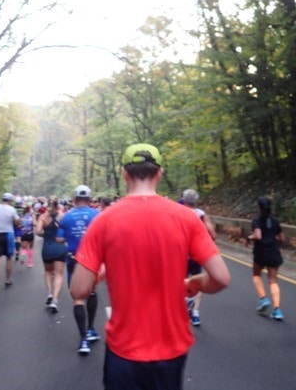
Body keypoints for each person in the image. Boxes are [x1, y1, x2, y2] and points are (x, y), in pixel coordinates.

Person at [70, 143, 230, 389]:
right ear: (160, 173)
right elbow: (221, 278)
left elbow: (79, 290)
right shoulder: (186, 218)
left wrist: (104, 270)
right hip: (172, 348)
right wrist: (194, 283)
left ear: (125, 174)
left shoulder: (103, 221)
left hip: (124, 349)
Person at [57, 185, 100, 355]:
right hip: (92, 260)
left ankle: (83, 340)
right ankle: (90, 329)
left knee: (78, 299)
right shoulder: (98, 215)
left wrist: (71, 236)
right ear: (90, 200)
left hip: (74, 259)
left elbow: (59, 238)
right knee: (92, 292)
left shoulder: (66, 217)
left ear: (74, 200)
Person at [245, 196, 285, 320]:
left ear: (258, 207)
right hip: (273, 252)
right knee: (273, 280)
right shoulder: (275, 221)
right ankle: (277, 310)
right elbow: (282, 238)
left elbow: (258, 235)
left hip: (261, 252)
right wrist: (273, 238)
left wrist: (249, 237)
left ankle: (263, 299)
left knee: (256, 275)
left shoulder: (257, 220)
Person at [182, 188, 217, 327]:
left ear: (184, 200)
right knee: (198, 280)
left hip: (182, 253)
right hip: (196, 253)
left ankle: (184, 301)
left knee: (182, 280)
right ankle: (195, 314)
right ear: (196, 201)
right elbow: (213, 235)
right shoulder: (202, 214)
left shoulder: (178, 213)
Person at [35, 196, 66, 313]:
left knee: (48, 271)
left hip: (47, 248)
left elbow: (37, 232)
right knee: (58, 275)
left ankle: (49, 293)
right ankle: (55, 301)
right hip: (59, 248)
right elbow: (66, 231)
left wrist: (46, 234)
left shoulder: (43, 217)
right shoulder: (62, 216)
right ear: (58, 204)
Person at [0, 193, 21, 296]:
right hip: (8, 235)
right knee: (9, 257)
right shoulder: (12, 210)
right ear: (10, 200)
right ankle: (7, 279)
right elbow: (18, 222)